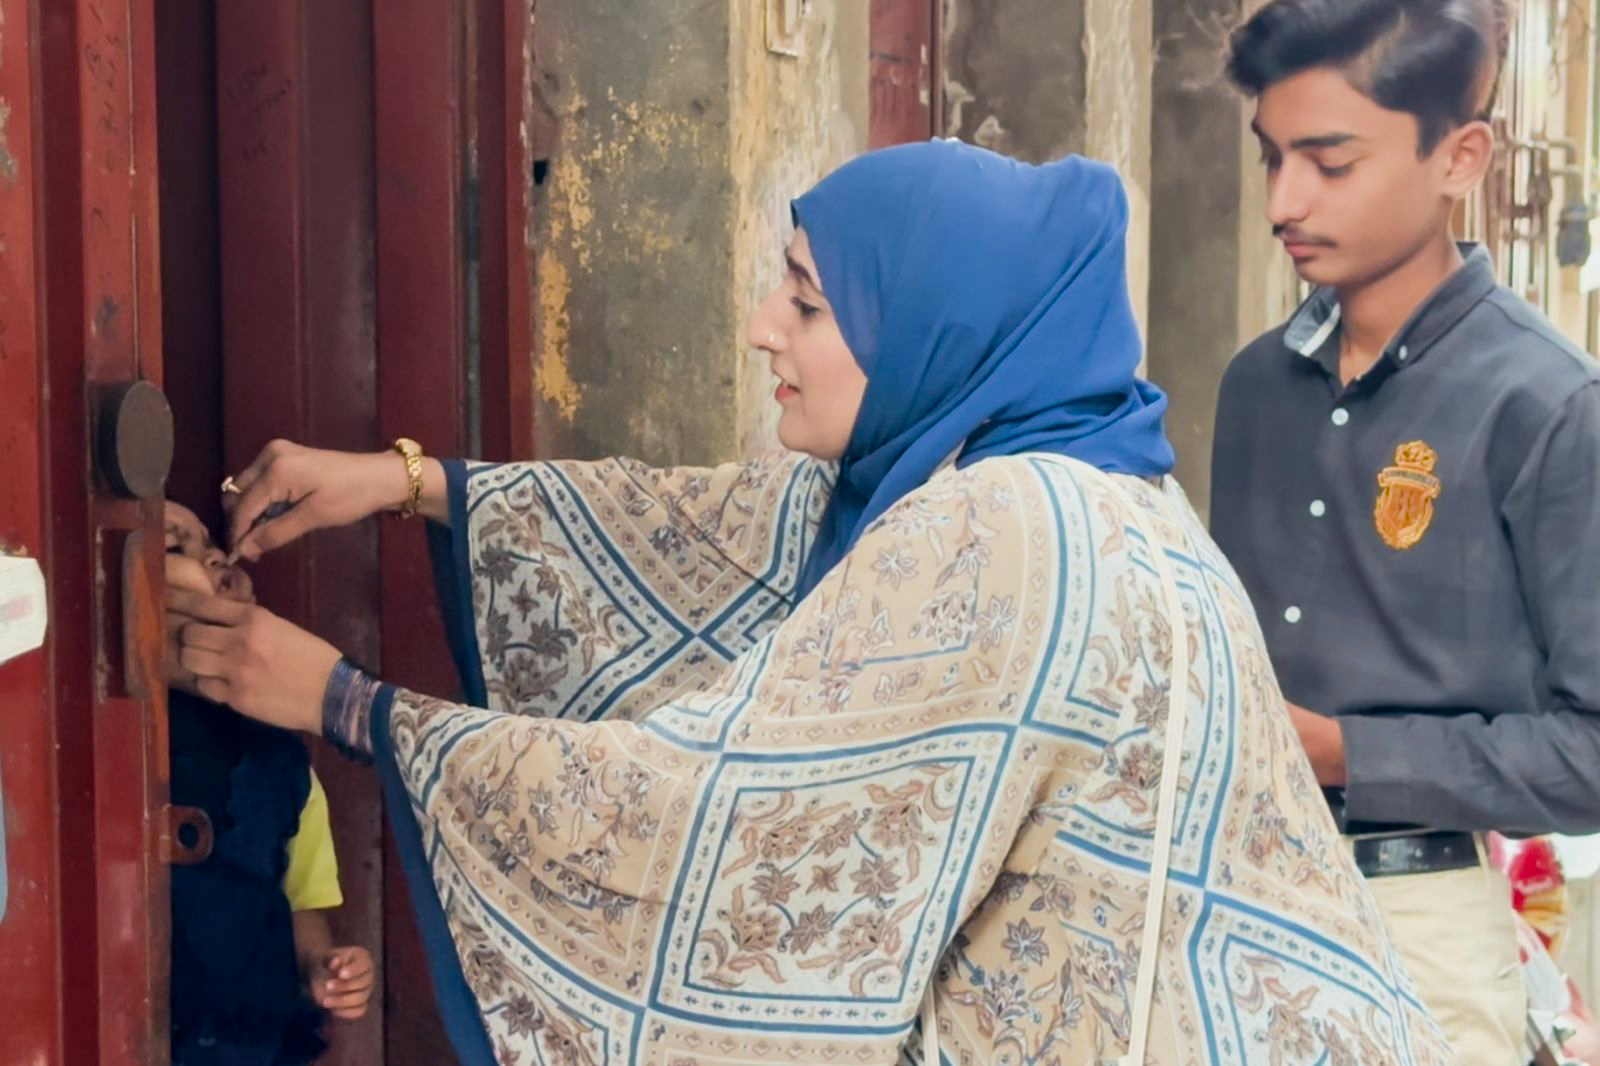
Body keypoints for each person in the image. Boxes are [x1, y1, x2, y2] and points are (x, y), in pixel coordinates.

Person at [172, 140, 1447, 1064]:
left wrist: (347, 704)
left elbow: (709, 813)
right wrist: (407, 484)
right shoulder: (1064, 474)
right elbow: (710, 530)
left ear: (931, 330)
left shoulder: (1008, 529)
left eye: (808, 300)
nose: (762, 328)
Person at [1212, 0, 1600, 1060]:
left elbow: (1592, 749)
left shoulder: (1551, 407)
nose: (1285, 200)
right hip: (1224, 901)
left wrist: (1344, 754)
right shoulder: (1254, 385)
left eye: (1330, 163)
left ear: (1460, 156)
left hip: (1414, 919)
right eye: (1272, 158)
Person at [164, 502, 376, 1064]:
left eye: (209, 542)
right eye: (173, 546)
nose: (215, 554)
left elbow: (303, 904)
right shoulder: (88, 720)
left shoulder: (282, 759)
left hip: (242, 1039)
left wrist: (323, 968)